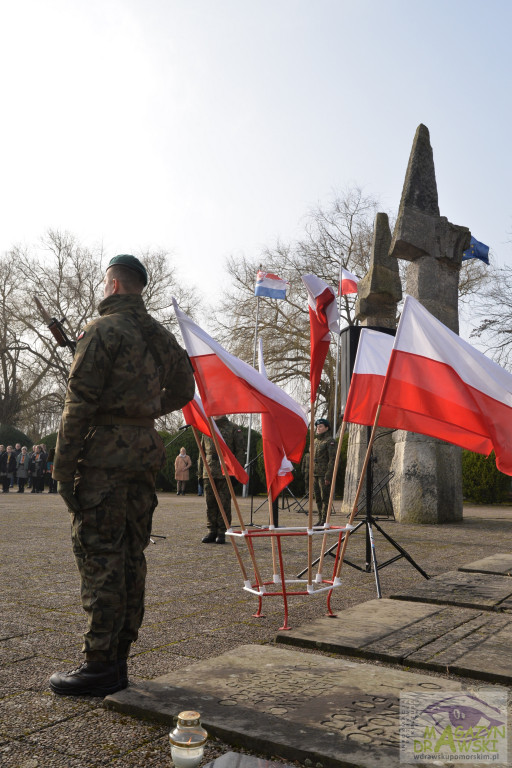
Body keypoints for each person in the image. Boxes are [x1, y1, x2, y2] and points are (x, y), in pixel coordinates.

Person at [49, 254, 195, 698]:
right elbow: (186, 390)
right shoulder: (162, 337)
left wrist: (62, 468)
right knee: (132, 553)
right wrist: (145, 411)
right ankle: (119, 660)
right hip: (143, 454)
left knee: (100, 555)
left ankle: (99, 665)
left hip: (105, 459)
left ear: (113, 286)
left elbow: (78, 406)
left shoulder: (100, 331)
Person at [197, 415, 245, 544]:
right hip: (209, 471)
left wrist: (237, 473)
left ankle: (222, 532)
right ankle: (211, 531)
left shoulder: (233, 428)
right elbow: (201, 453)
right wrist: (200, 474)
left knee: (224, 503)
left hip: (226, 471)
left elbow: (240, 452)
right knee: (210, 503)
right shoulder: (207, 428)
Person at [302, 418, 337, 526]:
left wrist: (328, 475)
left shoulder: (330, 441)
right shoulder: (316, 441)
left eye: (321, 426)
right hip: (315, 473)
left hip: (324, 474)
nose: (318, 428)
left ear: (326, 428)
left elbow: (332, 460)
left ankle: (324, 521)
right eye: (317, 426)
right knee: (317, 497)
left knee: (324, 497)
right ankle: (320, 519)